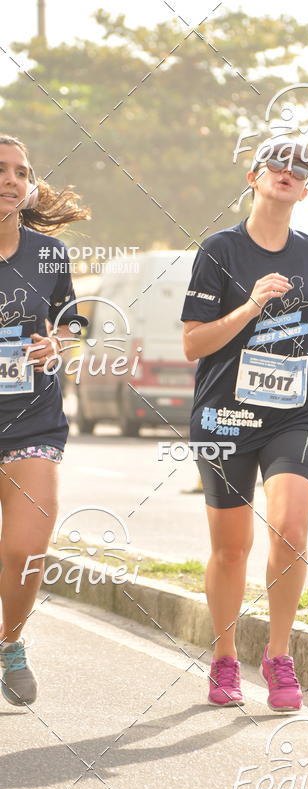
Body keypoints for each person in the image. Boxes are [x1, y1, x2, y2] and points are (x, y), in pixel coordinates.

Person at [181, 139, 308, 712]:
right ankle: (224, 658)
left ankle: (278, 656)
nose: (290, 172)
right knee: (232, 548)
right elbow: (193, 343)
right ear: (253, 175)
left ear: (307, 187)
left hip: (296, 410)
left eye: (303, 168)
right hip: (226, 412)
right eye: (278, 163)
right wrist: (249, 307)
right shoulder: (220, 250)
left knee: (291, 530)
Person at [0, 135, 89, 705]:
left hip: (32, 420)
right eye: (0, 169)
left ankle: (10, 644)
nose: (10, 178)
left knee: (27, 547)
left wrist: (57, 341)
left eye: (20, 170)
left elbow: (76, 322)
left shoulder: (48, 254)